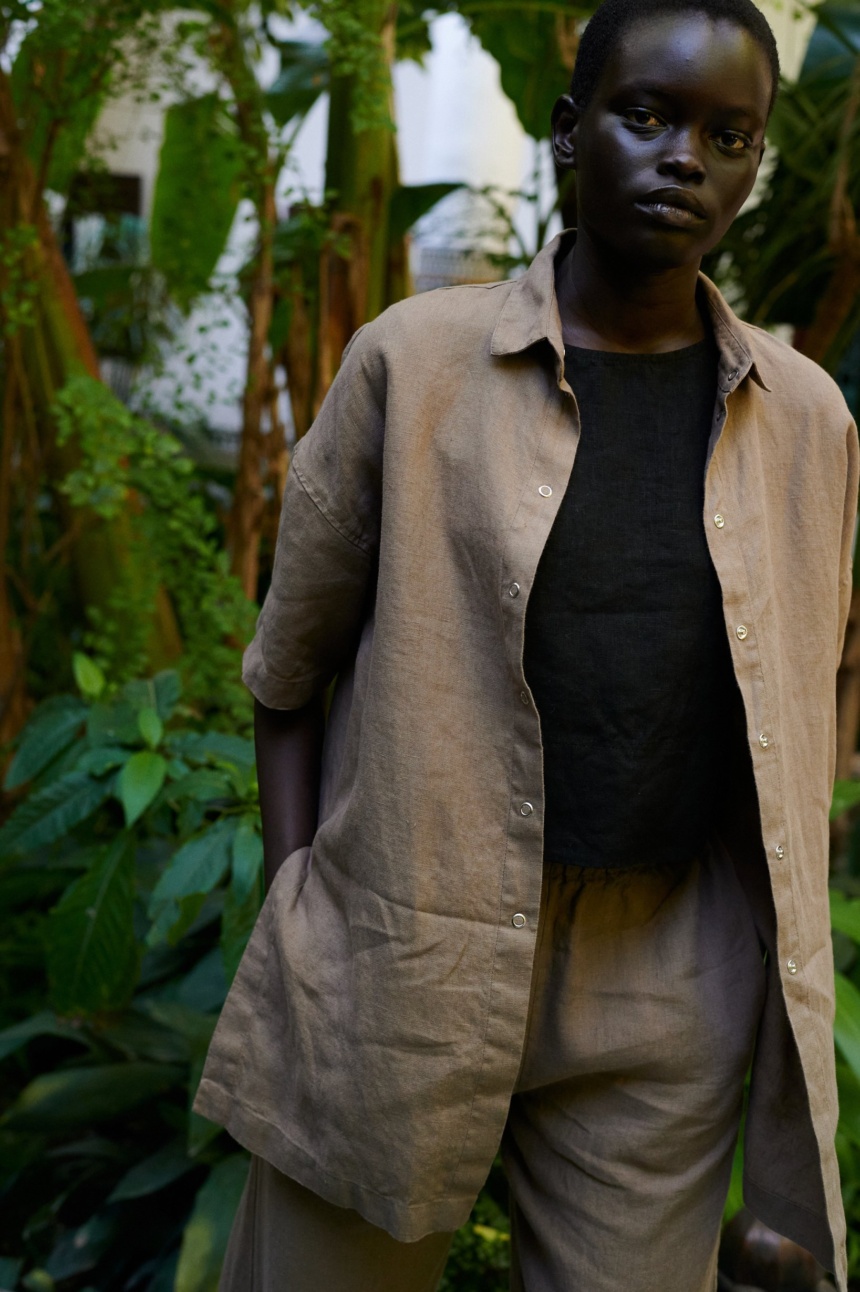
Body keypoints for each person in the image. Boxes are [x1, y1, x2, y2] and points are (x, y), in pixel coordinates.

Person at [195, 0, 859, 1288]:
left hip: (668, 982)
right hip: (406, 957)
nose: (685, 159)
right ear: (568, 133)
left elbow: (817, 683)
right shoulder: (416, 366)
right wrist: (298, 921)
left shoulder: (810, 424)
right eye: (648, 116)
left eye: (729, 137)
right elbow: (288, 671)